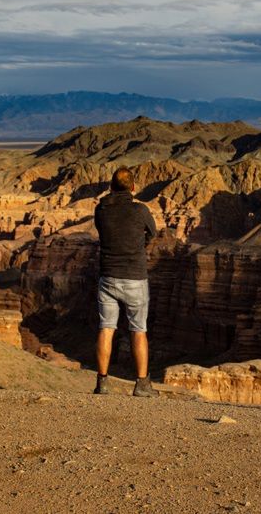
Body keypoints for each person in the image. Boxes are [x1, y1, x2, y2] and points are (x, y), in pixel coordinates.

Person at [92, 166, 158, 397]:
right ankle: (142, 384)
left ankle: (102, 383)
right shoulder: (140, 210)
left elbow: (102, 231)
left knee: (106, 328)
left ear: (111, 187)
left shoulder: (101, 210)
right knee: (138, 330)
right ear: (132, 187)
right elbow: (153, 233)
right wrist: (138, 245)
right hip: (135, 278)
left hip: (108, 277)